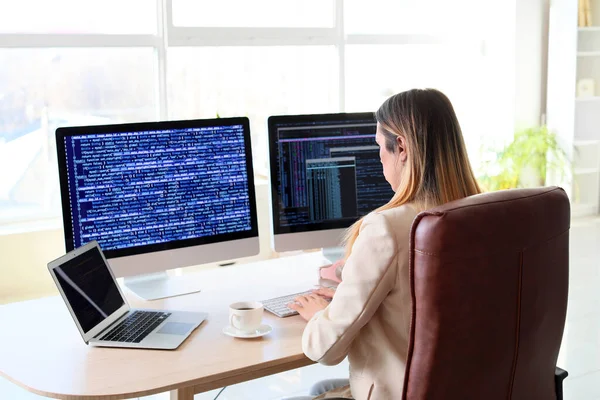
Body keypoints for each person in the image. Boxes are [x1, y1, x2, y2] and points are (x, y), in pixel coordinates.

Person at [285, 88, 482, 400]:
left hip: (403, 391)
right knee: (323, 390)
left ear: (401, 147)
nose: (379, 158)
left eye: (379, 146)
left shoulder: (387, 228)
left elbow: (326, 350)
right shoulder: (481, 214)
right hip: (461, 388)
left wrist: (321, 312)